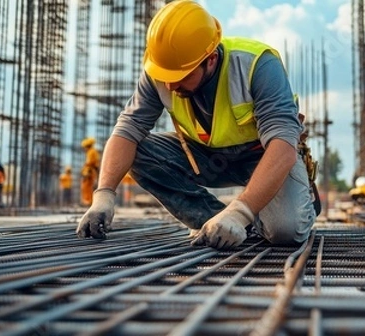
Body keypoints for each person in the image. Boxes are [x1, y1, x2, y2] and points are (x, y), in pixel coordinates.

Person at [76, 0, 319, 248]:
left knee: (285, 231)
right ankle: (212, 221)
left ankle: (247, 216)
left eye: (181, 76)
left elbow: (282, 143)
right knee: (136, 151)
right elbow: (127, 131)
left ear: (211, 59)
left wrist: (241, 212)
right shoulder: (162, 70)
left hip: (265, 157)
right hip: (205, 158)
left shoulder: (257, 66)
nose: (170, 86)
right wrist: (104, 194)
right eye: (165, 77)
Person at [80, 137, 101, 206]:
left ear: (87, 146)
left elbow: (90, 162)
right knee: (88, 187)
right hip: (90, 171)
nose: (84, 149)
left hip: (89, 172)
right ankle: (89, 201)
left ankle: (88, 201)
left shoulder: (91, 152)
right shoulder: (93, 151)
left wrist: (87, 172)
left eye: (84, 147)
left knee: (87, 187)